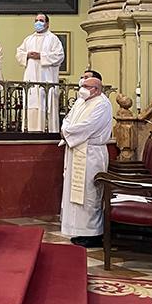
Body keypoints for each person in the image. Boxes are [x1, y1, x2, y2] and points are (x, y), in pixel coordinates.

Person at [59, 76, 112, 247]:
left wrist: (67, 132)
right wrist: (65, 129)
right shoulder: (81, 101)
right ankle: (79, 230)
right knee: (76, 193)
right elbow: (68, 118)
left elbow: (88, 126)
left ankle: (93, 233)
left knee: (89, 193)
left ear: (96, 89)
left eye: (85, 85)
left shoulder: (102, 104)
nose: (81, 88)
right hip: (77, 150)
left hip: (91, 153)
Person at [16, 13, 64, 132]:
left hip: (46, 77)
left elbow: (59, 56)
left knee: (45, 101)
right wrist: (27, 55)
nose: (38, 23)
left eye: (41, 20)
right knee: (31, 101)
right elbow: (19, 53)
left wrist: (41, 56)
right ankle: (30, 129)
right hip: (31, 77)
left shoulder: (53, 39)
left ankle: (47, 129)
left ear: (47, 24)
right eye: (36, 20)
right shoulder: (29, 39)